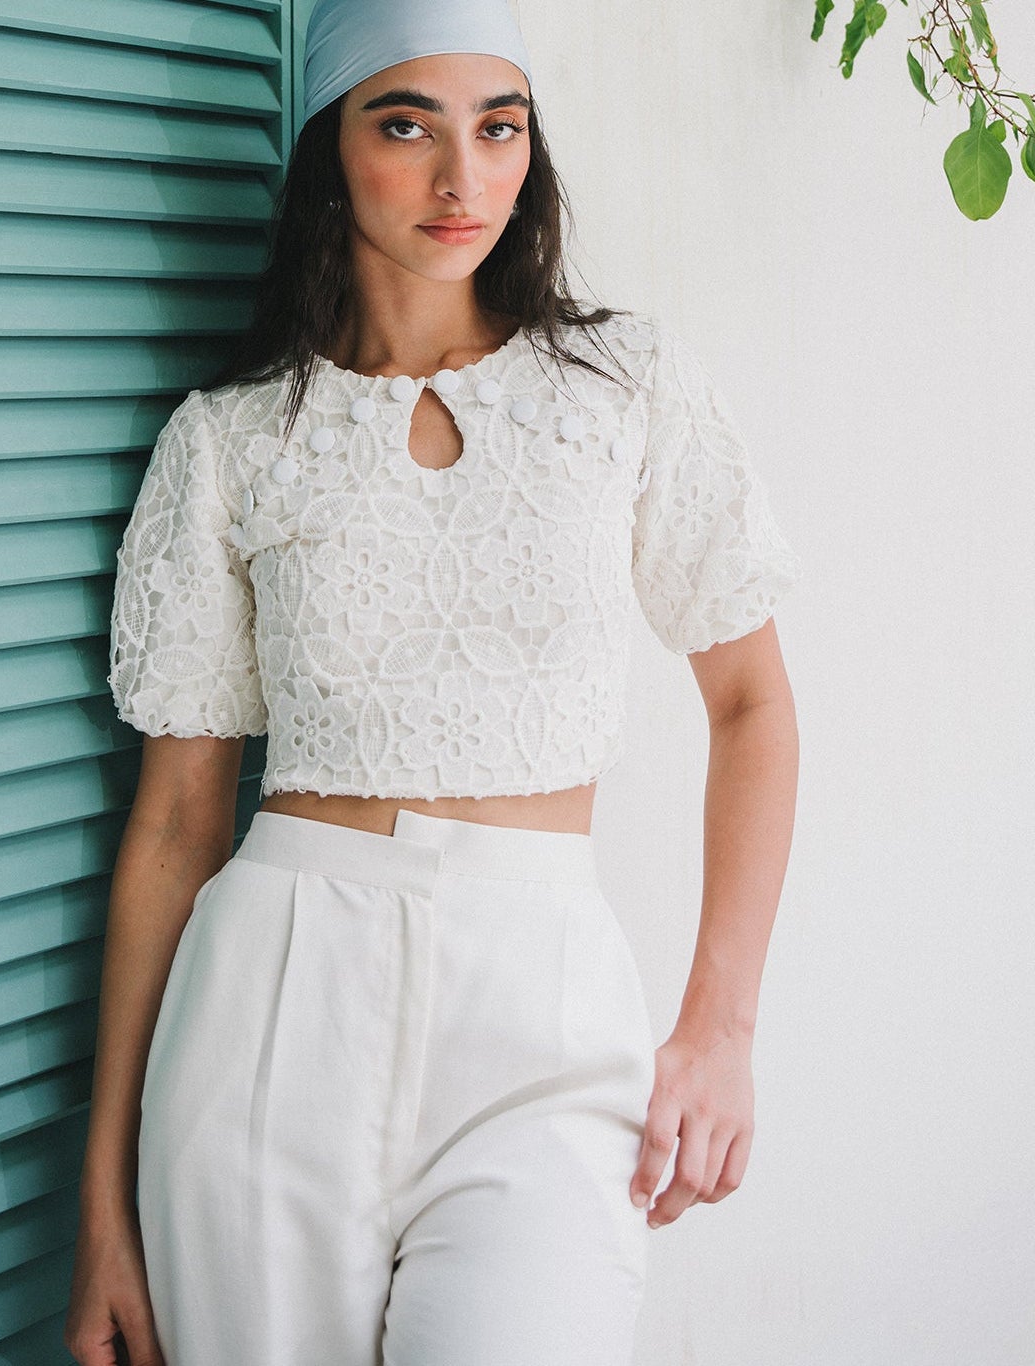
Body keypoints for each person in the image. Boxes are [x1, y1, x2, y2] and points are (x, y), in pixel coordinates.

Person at [66, 0, 803, 1361]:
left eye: (498, 127)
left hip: (545, 1014)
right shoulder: (230, 441)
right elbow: (175, 821)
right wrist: (103, 1203)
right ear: (328, 151)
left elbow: (751, 702)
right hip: (272, 1008)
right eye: (406, 125)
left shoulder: (621, 387)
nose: (463, 179)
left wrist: (723, 1023)